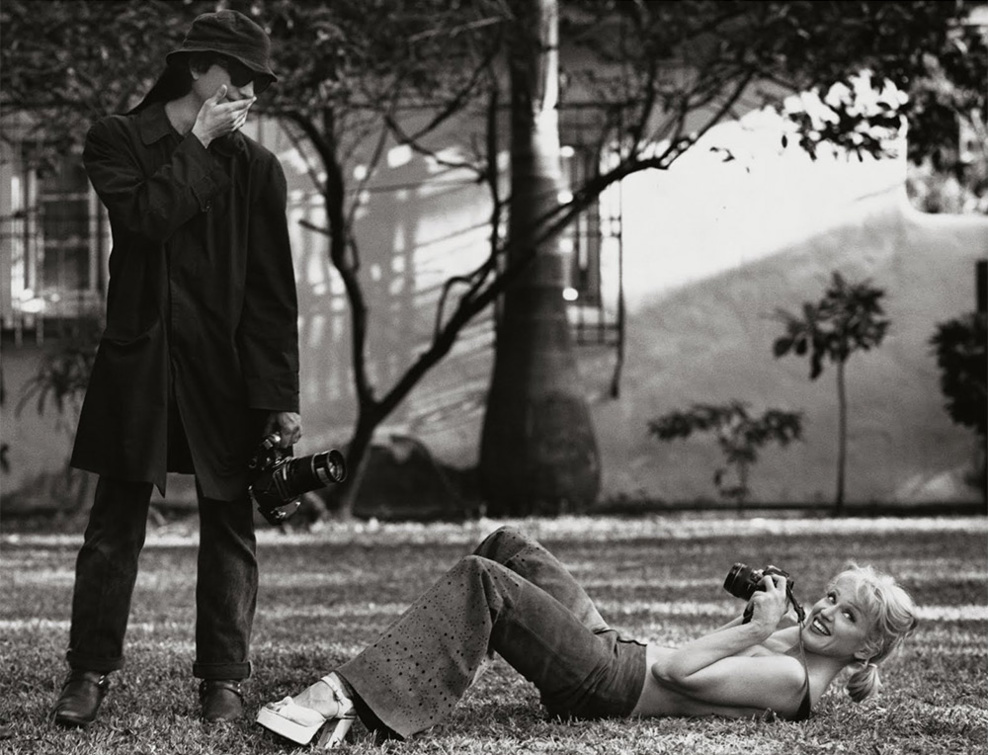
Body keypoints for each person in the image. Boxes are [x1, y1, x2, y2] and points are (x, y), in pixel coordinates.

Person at [52, 10, 301, 727]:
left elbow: (271, 293)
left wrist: (279, 395)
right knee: (113, 525)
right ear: (195, 69)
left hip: (225, 371)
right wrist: (197, 145)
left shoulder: (259, 169)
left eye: (259, 81)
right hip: (141, 363)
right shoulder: (117, 139)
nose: (249, 90)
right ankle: (88, 671)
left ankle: (223, 678)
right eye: (238, 74)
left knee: (230, 525)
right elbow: (143, 221)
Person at [256, 526, 917, 748]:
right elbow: (698, 667)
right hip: (617, 651)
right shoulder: (790, 652)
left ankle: (346, 698)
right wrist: (755, 624)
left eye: (848, 617)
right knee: (507, 546)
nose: (827, 611)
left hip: (607, 681)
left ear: (864, 648)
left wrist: (761, 629)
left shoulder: (793, 680)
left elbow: (679, 674)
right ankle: (412, 668)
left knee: (485, 580)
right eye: (832, 597)